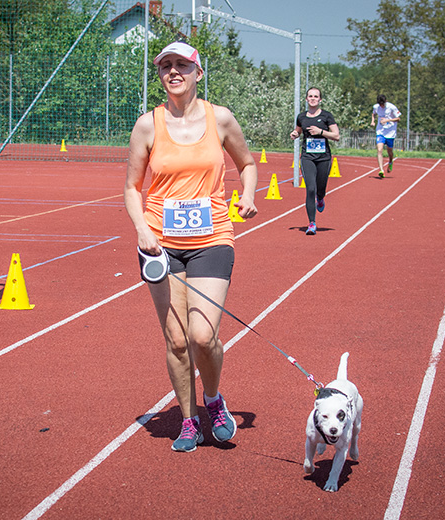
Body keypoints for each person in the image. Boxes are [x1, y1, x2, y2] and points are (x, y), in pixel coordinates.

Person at [123, 42, 258, 452]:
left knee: (202, 335)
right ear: (160, 75)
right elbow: (132, 187)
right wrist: (142, 228)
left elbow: (247, 163)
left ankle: (213, 400)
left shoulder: (221, 119)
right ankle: (187, 420)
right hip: (161, 245)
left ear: (198, 72)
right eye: (166, 66)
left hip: (213, 238)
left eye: (182, 64)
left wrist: (248, 194)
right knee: (177, 340)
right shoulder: (148, 125)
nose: (174, 71)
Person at [290, 87, 340, 235]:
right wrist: (295, 134)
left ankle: (321, 197)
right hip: (307, 157)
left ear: (320, 100)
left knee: (321, 187)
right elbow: (298, 130)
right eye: (310, 96)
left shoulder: (327, 116)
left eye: (315, 96)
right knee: (310, 188)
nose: (312, 98)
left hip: (324, 157)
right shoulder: (301, 117)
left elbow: (336, 136)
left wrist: (321, 132)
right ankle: (312, 223)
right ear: (306, 99)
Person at [371, 94, 401, 178]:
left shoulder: (392, 107)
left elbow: (398, 119)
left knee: (389, 152)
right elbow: (373, 114)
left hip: (390, 132)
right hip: (380, 131)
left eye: (383, 104)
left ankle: (390, 162)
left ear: (385, 101)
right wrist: (373, 121)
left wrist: (388, 120)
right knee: (379, 149)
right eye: (380, 104)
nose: (381, 106)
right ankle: (381, 170)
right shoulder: (376, 107)